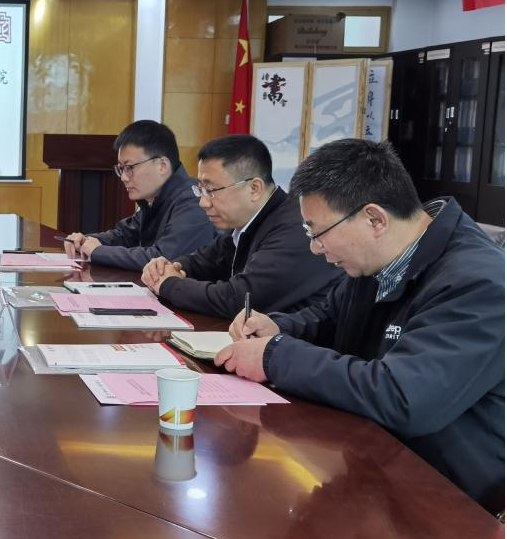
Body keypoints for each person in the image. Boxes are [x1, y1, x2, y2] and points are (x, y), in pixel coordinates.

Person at [215, 139, 505, 512]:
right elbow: (328, 319)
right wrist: (276, 328)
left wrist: (275, 357)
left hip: (445, 498)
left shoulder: (479, 283)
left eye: (317, 233)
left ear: (374, 219)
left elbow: (405, 397)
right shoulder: (381, 257)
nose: (315, 249)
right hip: (373, 464)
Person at [141, 134, 343, 318]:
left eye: (211, 190)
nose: (203, 202)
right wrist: (170, 267)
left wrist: (169, 284)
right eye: (200, 189)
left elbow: (238, 300)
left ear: (254, 188)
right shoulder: (249, 221)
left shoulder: (295, 228)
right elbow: (206, 261)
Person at [64, 120, 214, 268]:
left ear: (162, 166)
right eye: (121, 169)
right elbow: (124, 236)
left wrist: (98, 251)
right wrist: (85, 241)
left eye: (129, 167)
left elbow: (164, 258)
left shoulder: (193, 201)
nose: (123, 177)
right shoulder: (155, 198)